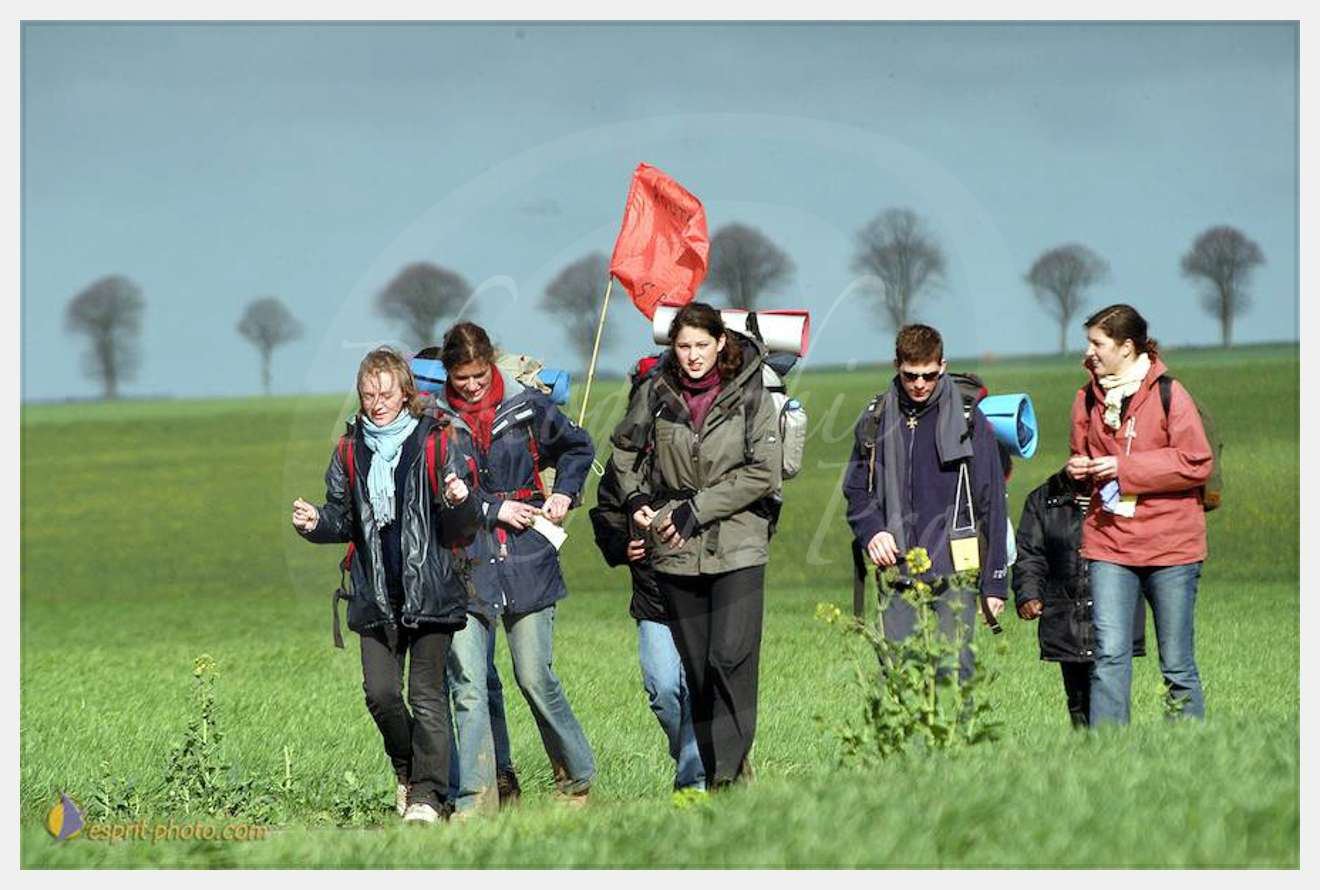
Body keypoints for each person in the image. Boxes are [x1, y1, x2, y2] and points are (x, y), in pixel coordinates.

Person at [291, 347, 476, 824]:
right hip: (374, 593)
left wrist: (459, 498)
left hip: (431, 587)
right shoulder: (351, 449)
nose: (377, 403)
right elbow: (343, 517)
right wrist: (315, 521)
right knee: (380, 694)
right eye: (368, 394)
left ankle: (428, 797)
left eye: (386, 393)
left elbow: (463, 524)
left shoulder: (436, 440)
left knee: (427, 697)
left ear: (406, 392)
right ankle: (408, 769)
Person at [608, 301, 780, 790]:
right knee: (700, 671)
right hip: (675, 548)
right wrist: (637, 495)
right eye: (683, 346)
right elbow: (622, 451)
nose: (692, 356)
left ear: (721, 343)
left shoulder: (749, 392)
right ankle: (716, 772)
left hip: (740, 543)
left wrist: (698, 509)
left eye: (702, 345)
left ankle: (727, 776)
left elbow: (763, 473)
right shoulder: (655, 391)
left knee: (731, 659)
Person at [431, 321, 596, 811]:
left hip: (527, 556)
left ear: (491, 362)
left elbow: (578, 447)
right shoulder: (436, 422)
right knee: (469, 685)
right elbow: (434, 492)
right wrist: (489, 509)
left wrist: (566, 490)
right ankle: (476, 801)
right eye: (462, 378)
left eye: (479, 374)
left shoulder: (528, 406)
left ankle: (577, 779)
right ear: (448, 374)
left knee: (533, 677)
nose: (473, 385)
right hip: (463, 561)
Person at [1068, 304, 1213, 726]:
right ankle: (1111, 758)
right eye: (1090, 342)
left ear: (1127, 347)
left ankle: (1189, 750)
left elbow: (1195, 461)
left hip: (1172, 547)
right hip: (1110, 543)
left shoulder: (1171, 393)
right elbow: (1083, 456)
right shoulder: (1085, 398)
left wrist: (1124, 469)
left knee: (1177, 663)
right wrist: (1078, 469)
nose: (1090, 351)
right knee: (1109, 655)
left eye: (1098, 343)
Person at [841, 324, 1009, 681]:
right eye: (911, 375)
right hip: (897, 565)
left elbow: (992, 501)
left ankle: (953, 740)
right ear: (896, 366)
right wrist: (872, 532)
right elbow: (856, 490)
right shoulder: (875, 418)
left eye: (929, 375)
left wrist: (995, 583)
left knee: (956, 673)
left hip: (955, 567)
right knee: (898, 676)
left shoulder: (969, 419)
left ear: (943, 366)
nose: (920, 384)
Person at [412, 347, 522, 808]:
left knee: (465, 683)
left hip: (460, 572)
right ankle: (500, 779)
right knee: (480, 680)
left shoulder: (437, 434)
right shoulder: (460, 427)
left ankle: (473, 796)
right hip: (479, 569)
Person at [590, 427, 706, 795]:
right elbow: (606, 509)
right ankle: (690, 756)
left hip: (702, 587)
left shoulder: (703, 444)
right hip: (652, 595)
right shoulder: (626, 462)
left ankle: (694, 783)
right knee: (664, 689)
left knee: (698, 688)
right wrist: (620, 545)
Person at [1013, 466, 1148, 727]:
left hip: (1114, 608)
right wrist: (1028, 594)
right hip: (1066, 613)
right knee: (1077, 697)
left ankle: (1113, 751)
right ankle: (1087, 755)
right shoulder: (1045, 499)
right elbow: (1030, 554)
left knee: (1109, 688)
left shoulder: (1124, 491)